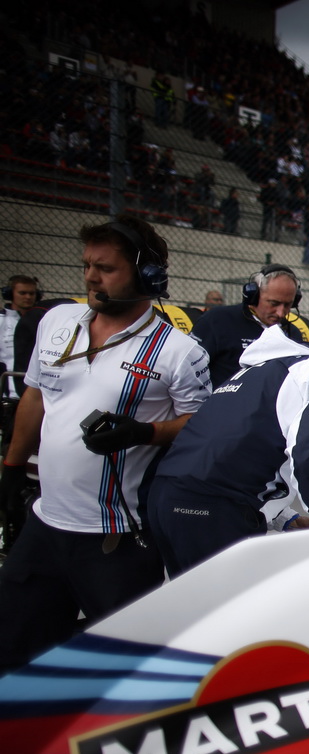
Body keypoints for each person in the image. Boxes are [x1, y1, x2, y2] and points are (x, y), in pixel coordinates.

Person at [0, 215, 211, 672]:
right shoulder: (56, 320)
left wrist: (145, 432)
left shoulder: (180, 351)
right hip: (44, 526)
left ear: (147, 275)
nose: (92, 277)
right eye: (87, 265)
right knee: (15, 654)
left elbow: (200, 423)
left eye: (106, 268)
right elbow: (34, 397)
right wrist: (12, 469)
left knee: (122, 673)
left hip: (116, 537)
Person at [148, 329, 309, 576]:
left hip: (168, 496)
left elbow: (247, 451)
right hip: (212, 507)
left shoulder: (276, 370)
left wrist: (285, 517)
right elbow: (308, 455)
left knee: (196, 610)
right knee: (234, 610)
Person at [190, 263, 307, 388]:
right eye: (274, 303)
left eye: (287, 305)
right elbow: (189, 369)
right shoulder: (217, 321)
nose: (280, 312)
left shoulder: (292, 333)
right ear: (254, 296)